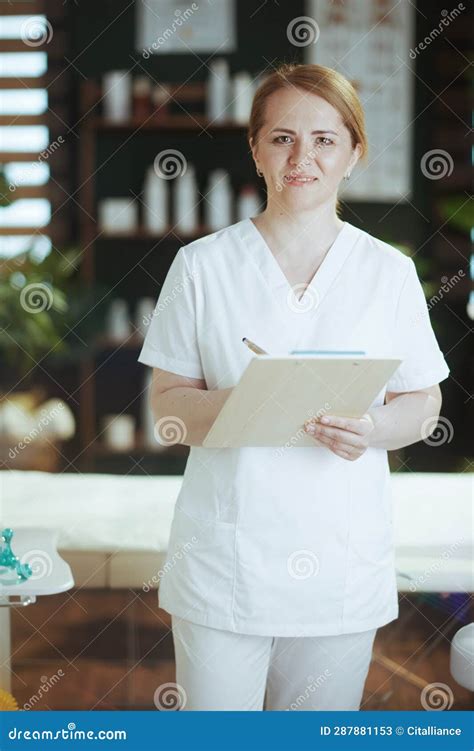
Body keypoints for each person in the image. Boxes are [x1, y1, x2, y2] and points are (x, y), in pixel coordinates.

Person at [137, 63, 450, 711]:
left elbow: (423, 403)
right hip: (225, 565)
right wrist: (251, 402)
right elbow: (166, 409)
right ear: (255, 148)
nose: (301, 156)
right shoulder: (201, 267)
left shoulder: (388, 272)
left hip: (338, 567)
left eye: (324, 139)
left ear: (354, 153)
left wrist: (372, 429)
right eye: (281, 138)